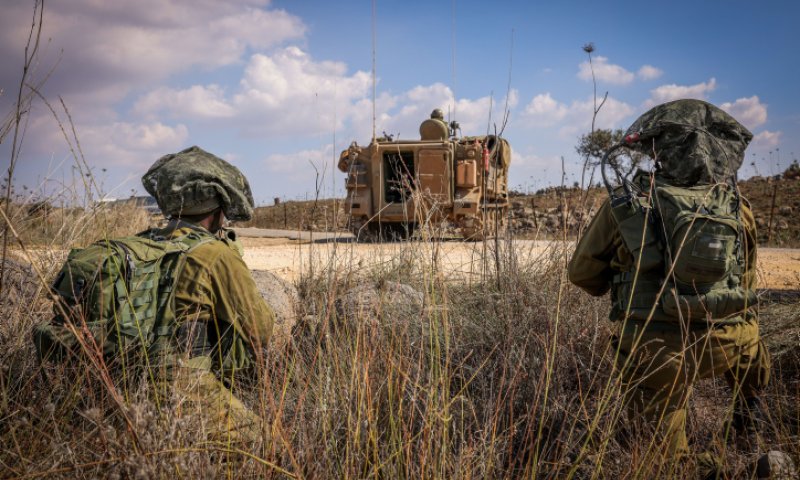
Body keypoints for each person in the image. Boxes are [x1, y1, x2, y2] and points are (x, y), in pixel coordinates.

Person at [568, 100, 770, 477]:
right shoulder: (737, 207)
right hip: (729, 342)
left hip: (659, 351)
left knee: (666, 463)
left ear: (660, 151)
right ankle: (746, 424)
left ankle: (701, 468)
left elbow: (581, 275)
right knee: (753, 349)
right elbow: (746, 284)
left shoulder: (629, 204)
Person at [37, 146, 274, 443]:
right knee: (264, 445)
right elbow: (261, 330)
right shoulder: (215, 254)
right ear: (217, 211)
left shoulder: (145, 244)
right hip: (183, 389)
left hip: (122, 383)